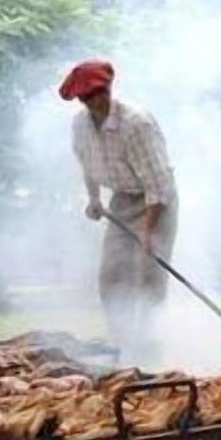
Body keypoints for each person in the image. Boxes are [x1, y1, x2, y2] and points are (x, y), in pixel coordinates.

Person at [59, 59, 178, 363]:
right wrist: (94, 198)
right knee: (111, 275)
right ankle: (121, 344)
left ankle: (149, 347)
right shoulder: (80, 125)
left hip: (155, 202)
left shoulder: (137, 124)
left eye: (97, 93)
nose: (92, 101)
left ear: (108, 89)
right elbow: (88, 164)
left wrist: (149, 234)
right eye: (85, 97)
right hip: (122, 200)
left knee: (148, 275)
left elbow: (157, 185)